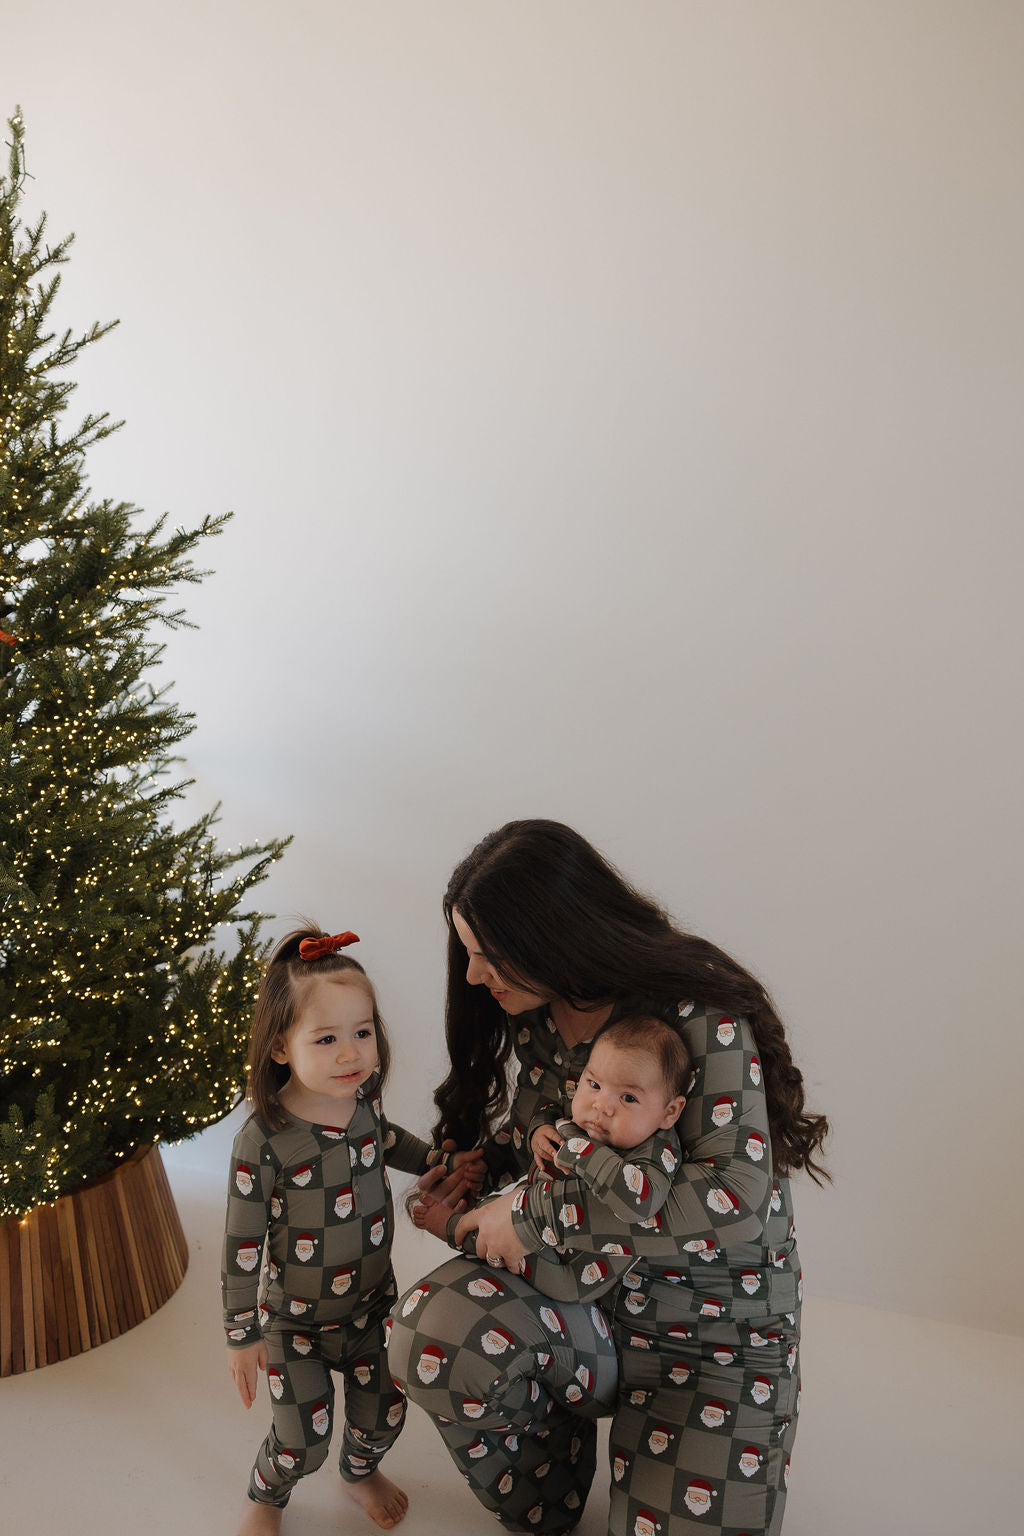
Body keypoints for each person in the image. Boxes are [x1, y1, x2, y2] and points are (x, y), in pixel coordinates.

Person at [388, 820, 829, 1536]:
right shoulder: (536, 1016)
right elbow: (552, 1134)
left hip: (709, 1339)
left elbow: (735, 1205)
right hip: (578, 1311)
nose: (473, 976)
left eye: (488, 955)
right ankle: (552, 1472)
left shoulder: (696, 1016)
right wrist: (479, 1169)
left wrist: (527, 1216)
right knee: (428, 1334)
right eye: (467, 954)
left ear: (552, 938)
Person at [221, 925, 483, 1536]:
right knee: (300, 1439)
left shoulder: (361, 1104)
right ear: (281, 1046)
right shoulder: (263, 1140)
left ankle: (359, 1471)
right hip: (295, 1325)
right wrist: (241, 1334)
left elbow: (389, 1142)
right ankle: (267, 1494)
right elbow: (239, 1246)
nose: (351, 1054)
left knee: (383, 1418)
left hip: (371, 1309)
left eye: (362, 1033)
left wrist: (439, 1165)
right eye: (328, 1038)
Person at [414, 1014, 691, 1307]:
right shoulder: (586, 1122)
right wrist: (539, 1130)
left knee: (502, 1238)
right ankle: (467, 1217)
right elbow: (553, 1111)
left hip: (573, 1271)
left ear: (669, 1112)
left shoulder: (656, 1149)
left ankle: (452, 1228)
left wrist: (581, 1152)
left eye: (628, 1098)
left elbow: (640, 1201)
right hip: (530, 1223)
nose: (602, 1106)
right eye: (594, 1084)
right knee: (500, 1211)